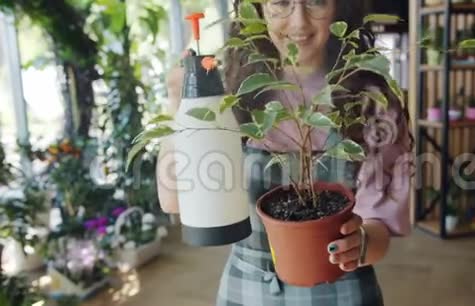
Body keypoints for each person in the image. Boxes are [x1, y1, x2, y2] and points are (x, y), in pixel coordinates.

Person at [158, 0, 414, 305]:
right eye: (280, 2)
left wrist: (358, 244)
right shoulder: (228, 95)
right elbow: (174, 201)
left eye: (316, 2)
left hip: (341, 290)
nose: (298, 22)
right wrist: (180, 103)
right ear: (258, 9)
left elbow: (380, 227)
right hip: (248, 291)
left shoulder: (371, 103)